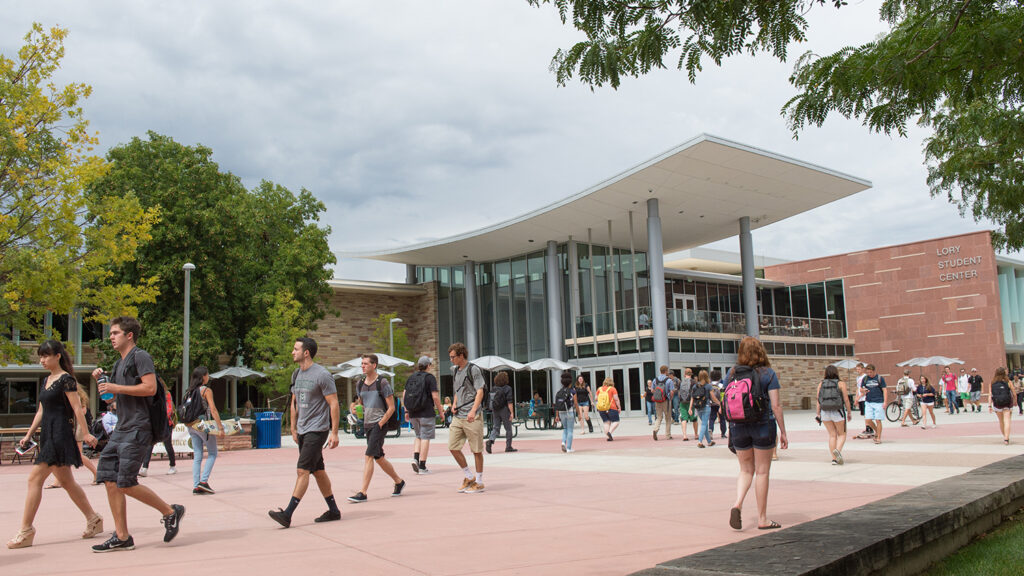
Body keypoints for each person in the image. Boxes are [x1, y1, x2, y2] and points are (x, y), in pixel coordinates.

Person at [91, 316, 184, 552]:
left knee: (125, 482)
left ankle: (171, 512)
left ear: (129, 335)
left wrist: (115, 387)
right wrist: (102, 383)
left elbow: (150, 388)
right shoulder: (117, 364)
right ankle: (122, 536)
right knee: (109, 478)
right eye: (111, 333)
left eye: (115, 333)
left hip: (138, 428)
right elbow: (111, 398)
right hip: (122, 427)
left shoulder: (140, 356)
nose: (110, 337)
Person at [8, 340, 104, 549]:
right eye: (40, 356)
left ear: (58, 356)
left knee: (34, 479)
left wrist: (86, 434)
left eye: (46, 356)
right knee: (67, 482)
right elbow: (41, 411)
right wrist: (28, 434)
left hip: (60, 435)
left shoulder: (66, 380)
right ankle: (93, 518)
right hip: (48, 434)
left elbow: (77, 408)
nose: (42, 360)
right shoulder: (46, 381)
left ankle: (26, 530)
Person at [267, 337, 341, 528]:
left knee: (302, 470)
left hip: (317, 429)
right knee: (318, 471)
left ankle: (288, 514)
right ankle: (333, 511)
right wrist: (292, 427)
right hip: (303, 429)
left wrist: (334, 432)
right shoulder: (296, 374)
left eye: (295, 349)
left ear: (306, 352)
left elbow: (333, 403)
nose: (292, 352)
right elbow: (294, 403)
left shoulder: (322, 375)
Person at [725, 337, 788, 531]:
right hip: (762, 425)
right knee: (762, 471)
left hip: (738, 425)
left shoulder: (732, 372)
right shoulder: (768, 373)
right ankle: (762, 518)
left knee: (745, 470)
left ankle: (737, 503)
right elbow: (776, 406)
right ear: (761, 350)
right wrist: (783, 432)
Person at [349, 354, 406, 502]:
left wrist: (381, 422)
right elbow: (362, 403)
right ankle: (399, 481)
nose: (362, 366)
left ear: (374, 365)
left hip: (379, 424)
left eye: (366, 363)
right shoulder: (360, 384)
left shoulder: (383, 382)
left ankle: (363, 492)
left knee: (368, 455)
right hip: (367, 424)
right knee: (378, 457)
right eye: (362, 363)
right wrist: (357, 410)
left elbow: (391, 407)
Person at [448, 342, 487, 493]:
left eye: (453, 357)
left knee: (476, 450)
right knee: (453, 446)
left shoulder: (473, 369)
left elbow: (480, 392)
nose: (451, 360)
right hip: (458, 415)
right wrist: (454, 403)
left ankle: (479, 481)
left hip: (472, 416)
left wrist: (473, 410)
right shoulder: (455, 371)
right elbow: (458, 390)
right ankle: (468, 476)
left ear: (461, 356)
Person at [47, 385, 99, 489]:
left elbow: (81, 412)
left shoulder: (77, 396)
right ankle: (59, 480)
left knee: (78, 455)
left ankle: (97, 474)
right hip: (64, 428)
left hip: (75, 427)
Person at [182, 366, 223, 495]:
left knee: (198, 456)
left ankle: (196, 485)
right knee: (212, 453)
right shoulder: (205, 390)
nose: (208, 376)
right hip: (203, 426)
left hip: (191, 426)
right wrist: (220, 427)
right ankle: (203, 482)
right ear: (203, 377)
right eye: (207, 374)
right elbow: (213, 409)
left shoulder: (188, 392)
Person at [406, 356, 445, 473]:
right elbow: (435, 397)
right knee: (425, 437)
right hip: (426, 412)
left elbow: (404, 394)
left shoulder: (411, 377)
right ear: (428, 366)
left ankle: (415, 459)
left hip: (413, 412)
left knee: (418, 436)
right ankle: (422, 466)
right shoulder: (430, 378)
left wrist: (407, 411)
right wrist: (441, 412)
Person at [139, 376, 177, 478]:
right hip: (154, 423)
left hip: (165, 423)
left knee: (168, 444)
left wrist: (161, 417)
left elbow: (169, 409)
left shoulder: (166, 394)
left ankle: (172, 466)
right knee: (149, 445)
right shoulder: (152, 394)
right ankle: (145, 468)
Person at [815, 365, 851, 465]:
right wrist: (849, 412)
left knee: (832, 435)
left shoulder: (821, 384)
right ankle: (838, 451)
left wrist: (818, 414)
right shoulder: (841, 383)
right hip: (837, 411)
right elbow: (846, 399)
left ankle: (834, 458)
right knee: (842, 434)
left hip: (825, 412)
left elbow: (818, 400)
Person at [856, 364, 889, 445]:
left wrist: (885, 402)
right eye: (868, 372)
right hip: (869, 402)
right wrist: (863, 390)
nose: (869, 374)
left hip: (878, 401)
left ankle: (878, 437)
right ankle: (877, 431)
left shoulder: (879, 378)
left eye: (870, 372)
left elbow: (884, 390)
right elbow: (861, 389)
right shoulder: (865, 378)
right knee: (868, 420)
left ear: (874, 371)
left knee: (878, 420)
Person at [486, 371, 517, 454]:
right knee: (508, 429)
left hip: (495, 410)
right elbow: (509, 402)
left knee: (496, 427)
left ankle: (490, 440)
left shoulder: (494, 388)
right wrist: (512, 412)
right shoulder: (508, 388)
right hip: (504, 410)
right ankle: (508, 446)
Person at [691, 369, 720, 448]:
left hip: (698, 407)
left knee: (705, 425)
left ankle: (709, 442)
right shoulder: (708, 386)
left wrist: (690, 408)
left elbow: (692, 397)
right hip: (706, 406)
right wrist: (719, 403)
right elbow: (713, 397)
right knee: (704, 424)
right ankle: (700, 441)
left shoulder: (695, 386)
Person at [989, 367, 1014, 445]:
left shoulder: (992, 383)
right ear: (1004, 373)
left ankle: (1005, 437)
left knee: (1001, 421)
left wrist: (989, 406)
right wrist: (1015, 401)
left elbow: (990, 395)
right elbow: (1013, 392)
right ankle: (1006, 438)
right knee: (1007, 420)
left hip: (997, 404)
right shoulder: (1008, 382)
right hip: (1007, 403)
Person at [555, 372, 579, 453]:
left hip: (561, 412)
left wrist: (556, 416)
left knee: (565, 428)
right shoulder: (572, 391)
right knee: (570, 430)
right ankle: (568, 448)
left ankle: (563, 442)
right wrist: (579, 414)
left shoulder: (559, 392)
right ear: (570, 382)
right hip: (569, 412)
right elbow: (575, 403)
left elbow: (557, 405)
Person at [651, 366, 673, 441]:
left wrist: (657, 395)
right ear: (666, 371)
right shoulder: (669, 380)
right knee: (668, 418)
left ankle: (655, 429)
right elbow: (672, 391)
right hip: (666, 400)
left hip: (657, 401)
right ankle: (668, 435)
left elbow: (652, 390)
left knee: (659, 416)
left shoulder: (655, 380)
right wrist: (670, 398)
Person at [678, 368, 697, 441]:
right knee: (694, 419)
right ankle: (695, 434)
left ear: (684, 374)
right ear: (691, 373)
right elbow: (694, 393)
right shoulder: (693, 382)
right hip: (691, 402)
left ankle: (685, 435)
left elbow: (679, 392)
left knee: (683, 418)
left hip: (682, 402)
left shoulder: (681, 382)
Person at [708, 369, 727, 439]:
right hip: (720, 404)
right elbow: (723, 395)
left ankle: (710, 430)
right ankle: (723, 433)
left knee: (712, 419)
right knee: (722, 419)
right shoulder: (721, 385)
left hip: (711, 404)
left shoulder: (709, 385)